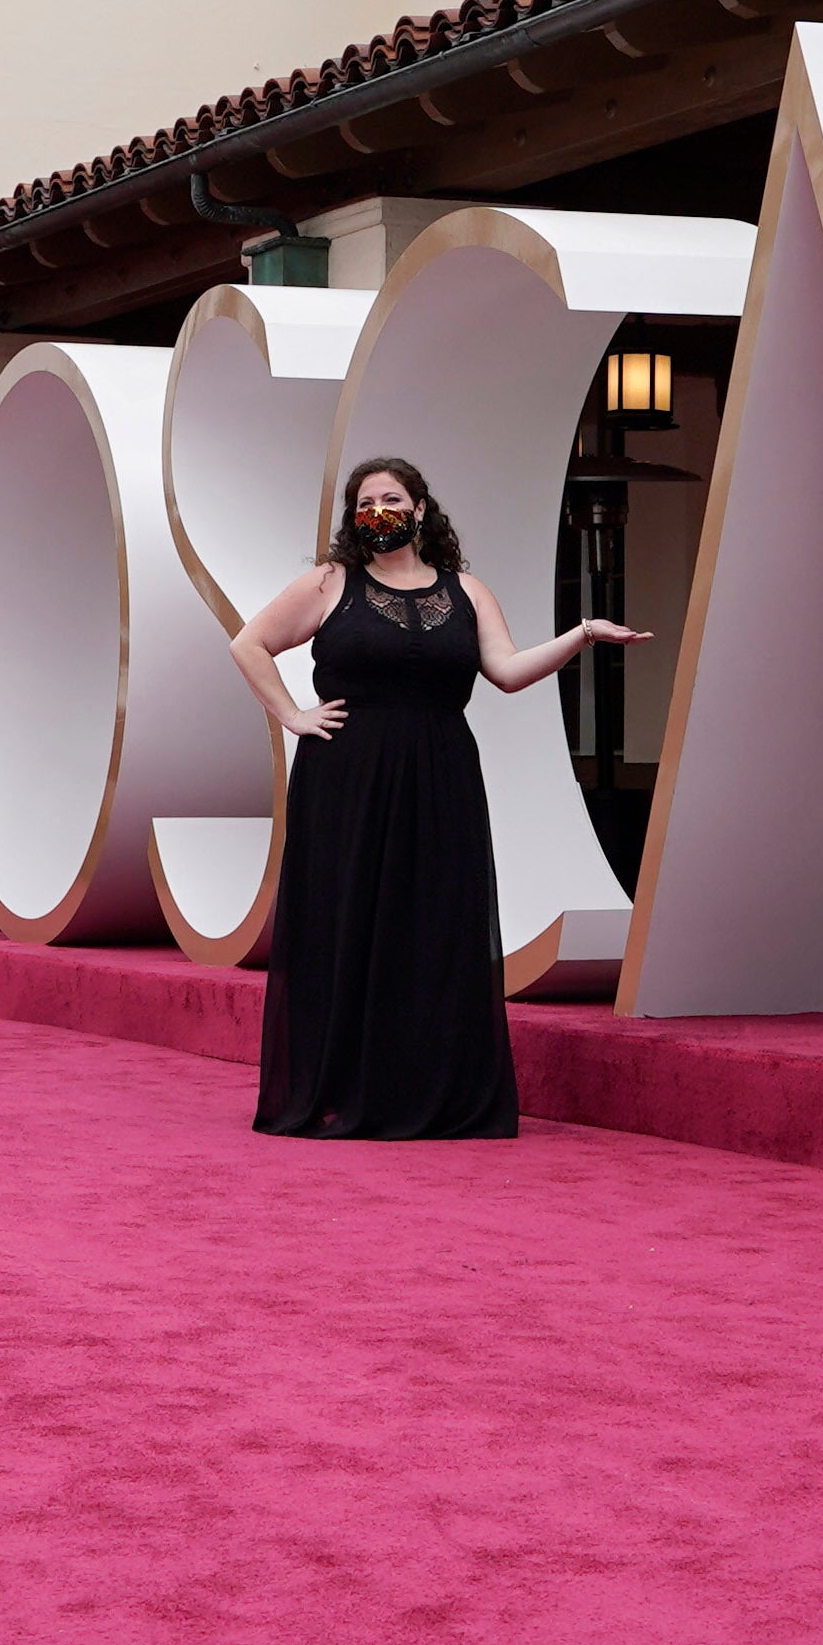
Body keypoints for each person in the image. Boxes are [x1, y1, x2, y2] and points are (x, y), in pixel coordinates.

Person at [220, 454, 639, 1142]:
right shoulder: (330, 583)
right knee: (349, 921)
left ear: (419, 508)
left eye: (390, 498)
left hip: (442, 775)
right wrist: (293, 715)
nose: (376, 511)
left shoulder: (468, 592)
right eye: (364, 504)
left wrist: (583, 634)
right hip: (347, 777)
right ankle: (345, 1089)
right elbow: (250, 644)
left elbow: (505, 671)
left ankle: (431, 1094)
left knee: (434, 928)